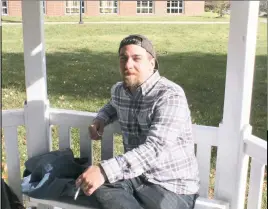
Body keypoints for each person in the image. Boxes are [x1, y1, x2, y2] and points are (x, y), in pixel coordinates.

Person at [76, 34, 200, 209]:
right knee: (99, 189)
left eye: (136, 58)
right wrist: (101, 118)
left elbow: (155, 148)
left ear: (152, 63)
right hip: (136, 177)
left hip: (172, 186)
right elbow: (112, 105)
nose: (128, 65)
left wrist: (103, 170)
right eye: (123, 58)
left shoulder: (170, 95)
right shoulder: (119, 90)